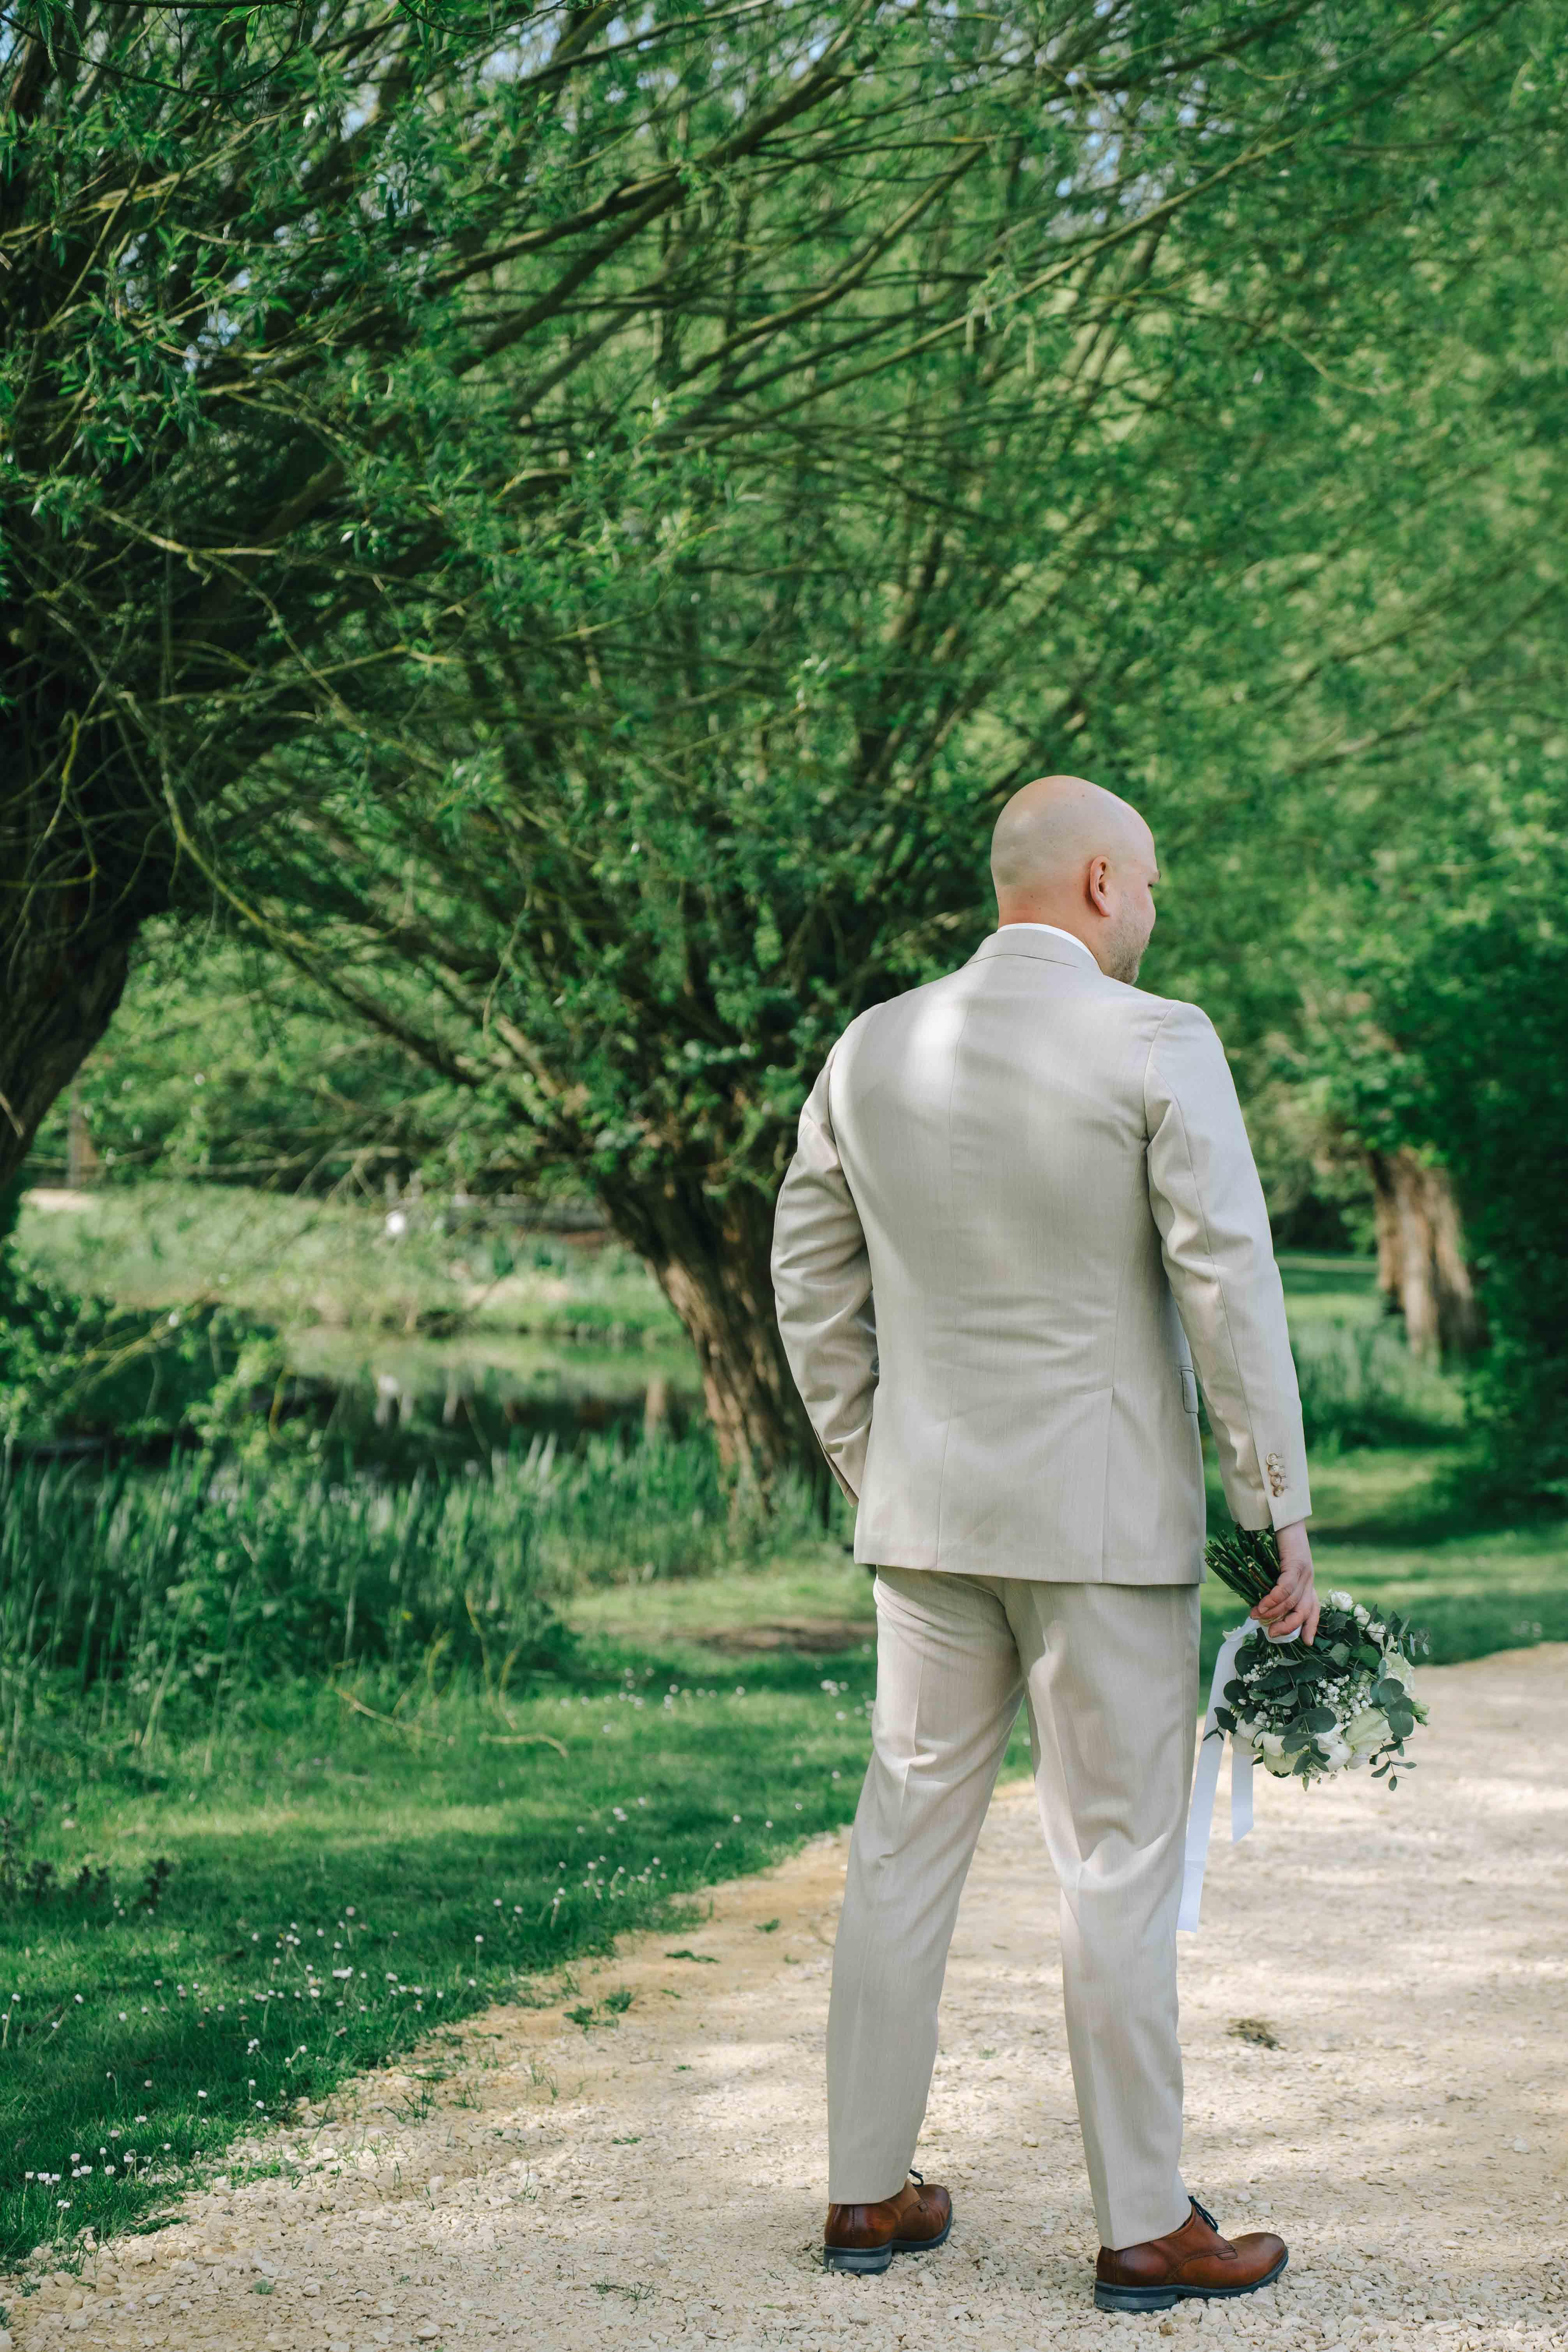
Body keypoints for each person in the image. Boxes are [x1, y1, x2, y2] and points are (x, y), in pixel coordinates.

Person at [770, 774, 1317, 2313]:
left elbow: (807, 1277)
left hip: (931, 1522)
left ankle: (865, 2190)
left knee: (900, 1842)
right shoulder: (1155, 1039)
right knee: (1116, 1866)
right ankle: (1144, 2225)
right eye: (1146, 884)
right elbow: (1227, 1282)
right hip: (1104, 1531)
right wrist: (1273, 1507)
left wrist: (875, 1459)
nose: (1150, 911)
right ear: (1095, 884)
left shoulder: (873, 1047)